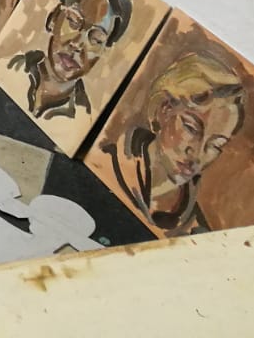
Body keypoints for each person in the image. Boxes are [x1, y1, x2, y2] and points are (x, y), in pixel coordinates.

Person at [99, 50, 245, 236]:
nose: (197, 153)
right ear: (164, 109)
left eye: (216, 145)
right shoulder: (103, 162)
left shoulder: (196, 233)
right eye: (191, 128)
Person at [10, 0, 132, 121]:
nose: (77, 44)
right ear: (54, 18)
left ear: (103, 52)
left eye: (96, 39)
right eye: (73, 21)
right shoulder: (14, 66)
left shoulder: (82, 115)